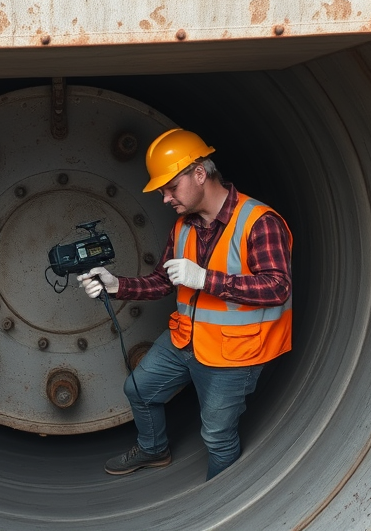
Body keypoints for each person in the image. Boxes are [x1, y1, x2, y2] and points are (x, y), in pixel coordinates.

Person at [77, 128, 292, 481]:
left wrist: (206, 279)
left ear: (199, 173)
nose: (165, 198)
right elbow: (165, 280)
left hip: (233, 353)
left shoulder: (259, 222)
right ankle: (153, 449)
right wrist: (117, 285)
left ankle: (221, 507)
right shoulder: (184, 227)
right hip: (185, 340)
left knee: (217, 436)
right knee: (139, 390)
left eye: (170, 187)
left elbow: (277, 288)